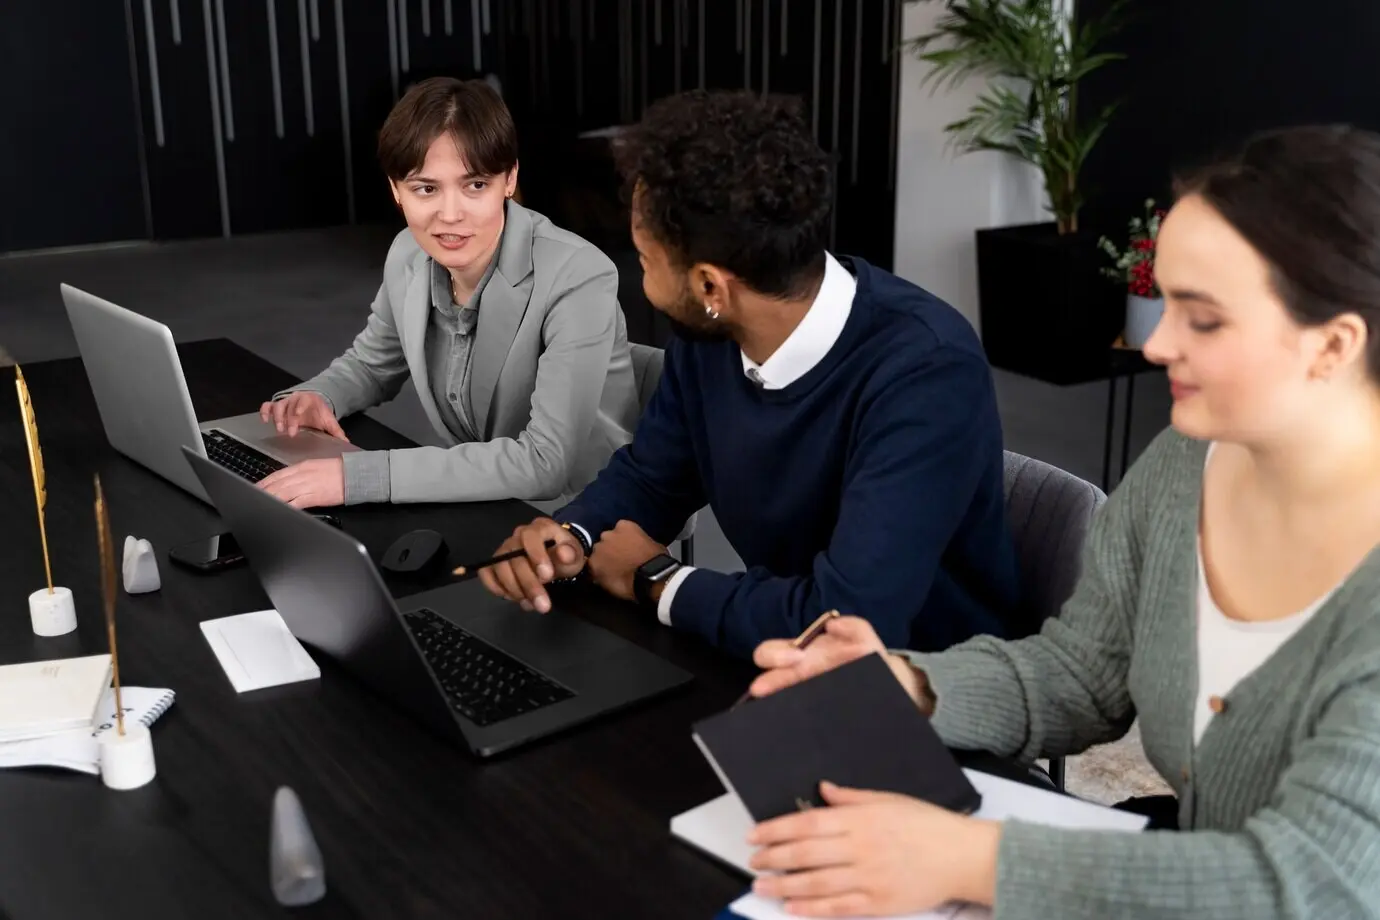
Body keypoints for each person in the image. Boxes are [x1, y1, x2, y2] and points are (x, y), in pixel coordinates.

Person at [741, 124, 1380, 918]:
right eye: (1164, 301)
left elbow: (1314, 886)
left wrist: (968, 859)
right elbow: (1085, 673)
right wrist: (910, 685)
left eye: (1204, 318)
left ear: (1334, 345)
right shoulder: (1188, 464)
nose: (1157, 344)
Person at [478, 90, 1021, 660]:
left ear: (710, 286)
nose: (639, 274)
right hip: (776, 653)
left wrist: (657, 580)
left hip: (921, 681)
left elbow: (851, 621)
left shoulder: (927, 374)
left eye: (644, 259)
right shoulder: (711, 334)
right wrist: (572, 534)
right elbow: (655, 477)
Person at [257, 77, 639, 508]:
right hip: (482, 499)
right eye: (426, 188)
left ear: (510, 178)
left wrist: (359, 476)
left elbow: (544, 462)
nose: (451, 215)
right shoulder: (408, 253)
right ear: (396, 190)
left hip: (587, 517)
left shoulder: (578, 276)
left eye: (475, 185)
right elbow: (372, 365)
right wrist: (319, 395)